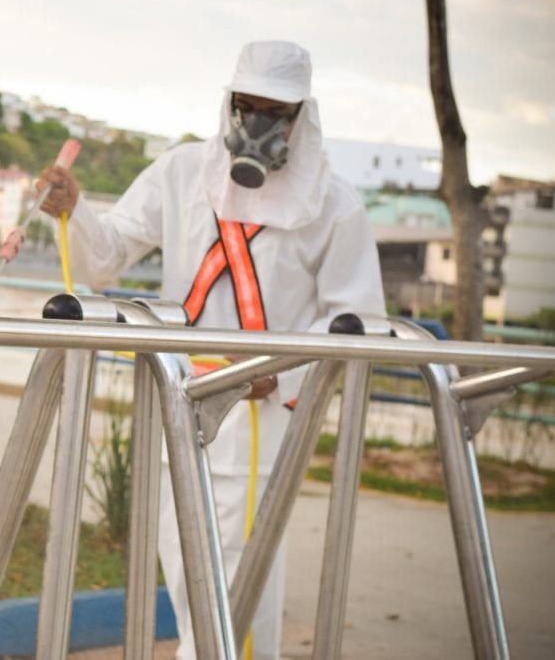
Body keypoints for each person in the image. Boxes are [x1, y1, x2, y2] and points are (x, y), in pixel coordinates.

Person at [37, 40, 386, 659]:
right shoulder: (180, 174)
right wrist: (75, 208)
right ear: (228, 104)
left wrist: (279, 373)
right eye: (247, 105)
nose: (258, 124)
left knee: (233, 584)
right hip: (175, 402)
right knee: (185, 568)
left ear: (301, 117)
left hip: (257, 419)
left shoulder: (334, 205)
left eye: (275, 111)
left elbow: (356, 322)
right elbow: (110, 251)